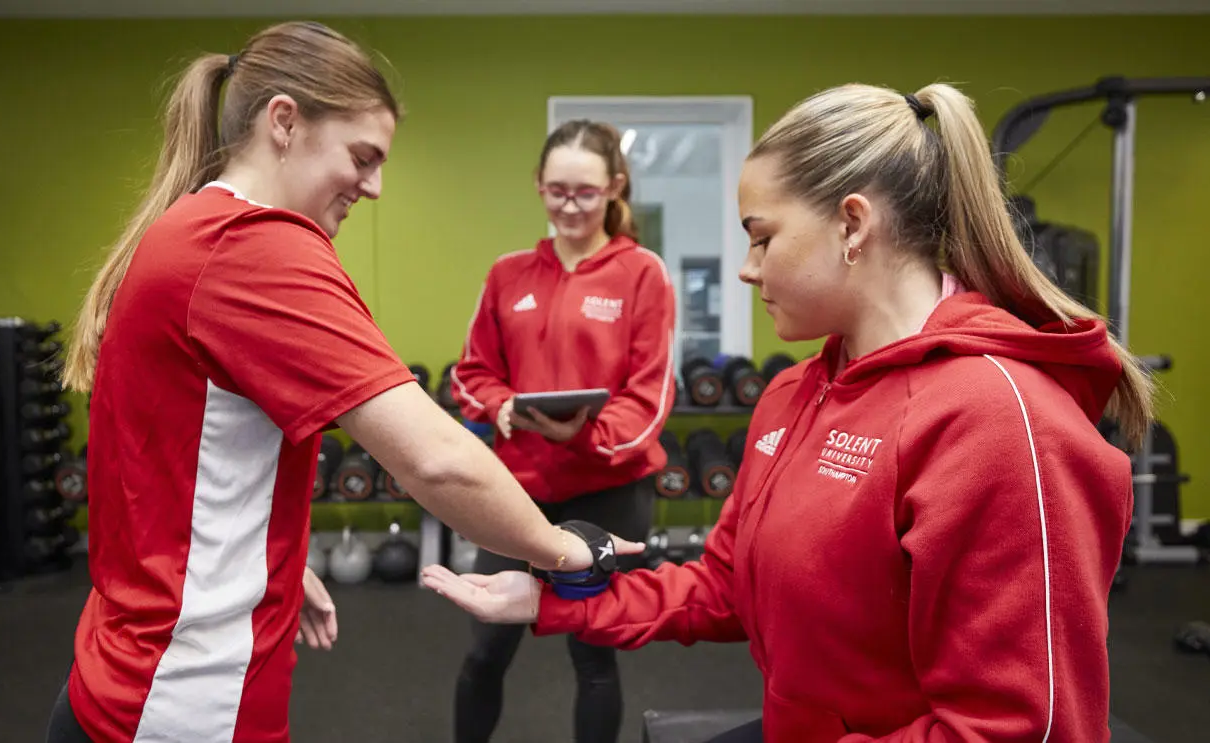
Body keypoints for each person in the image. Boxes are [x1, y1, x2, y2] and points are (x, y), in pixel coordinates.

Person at [423, 81, 1153, 743]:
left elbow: (1013, 729)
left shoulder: (999, 419)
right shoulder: (796, 392)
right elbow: (723, 585)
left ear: (852, 225)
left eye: (762, 236)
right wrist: (553, 594)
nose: (746, 267)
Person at [48, 21, 640, 743]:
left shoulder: (191, 228)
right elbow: (435, 458)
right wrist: (563, 551)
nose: (377, 186)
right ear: (285, 122)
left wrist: (274, 563)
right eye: (363, 157)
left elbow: (167, 456)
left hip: (127, 672)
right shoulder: (257, 248)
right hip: (185, 700)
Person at [448, 119, 676, 743]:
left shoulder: (642, 274)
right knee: (485, 651)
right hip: (515, 491)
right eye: (556, 191)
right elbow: (472, 373)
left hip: (606, 492)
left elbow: (650, 397)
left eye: (585, 192)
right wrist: (502, 408)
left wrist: (580, 435)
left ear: (615, 188)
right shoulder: (508, 274)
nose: (569, 206)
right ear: (539, 188)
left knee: (592, 653)